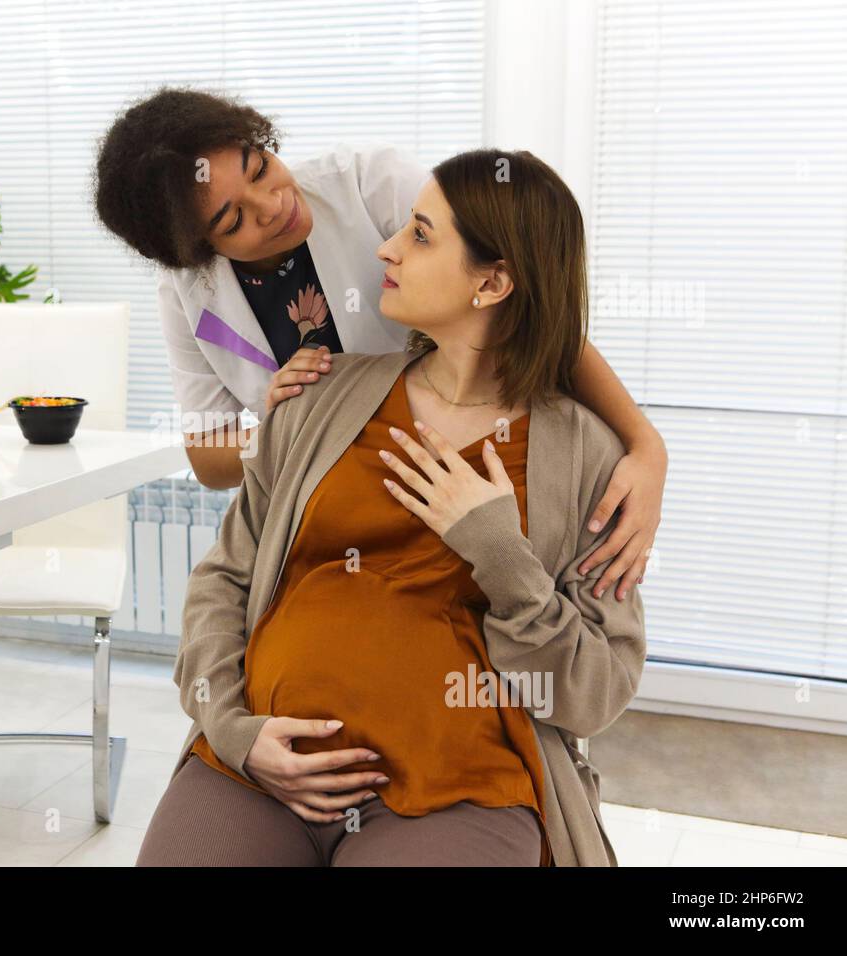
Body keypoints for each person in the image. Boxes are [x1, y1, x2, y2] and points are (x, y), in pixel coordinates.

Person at [135, 148, 647, 866]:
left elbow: (595, 692)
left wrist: (501, 555)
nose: (385, 247)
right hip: (258, 768)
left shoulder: (584, 457)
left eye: (420, 235)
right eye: (405, 228)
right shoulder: (319, 396)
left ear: (493, 281)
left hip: (454, 785)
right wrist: (230, 728)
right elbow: (224, 579)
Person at [94, 87, 665, 600]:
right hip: (329, 515)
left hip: (446, 477)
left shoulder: (368, 184)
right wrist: (281, 426)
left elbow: (516, 297)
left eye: (259, 166)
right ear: (198, 249)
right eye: (233, 218)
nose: (273, 204)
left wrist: (645, 446)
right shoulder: (188, 294)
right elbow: (209, 456)